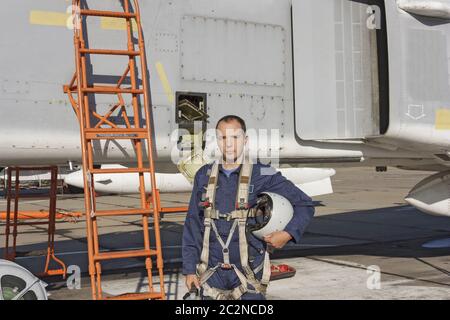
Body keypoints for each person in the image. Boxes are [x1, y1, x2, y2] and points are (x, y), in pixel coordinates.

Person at [182, 115, 315, 300]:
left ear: (245, 140)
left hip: (248, 275)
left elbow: (304, 204)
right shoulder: (203, 176)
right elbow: (193, 224)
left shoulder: (263, 173)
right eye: (223, 138)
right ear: (217, 140)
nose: (229, 144)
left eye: (235, 137)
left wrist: (287, 234)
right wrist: (189, 270)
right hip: (211, 276)